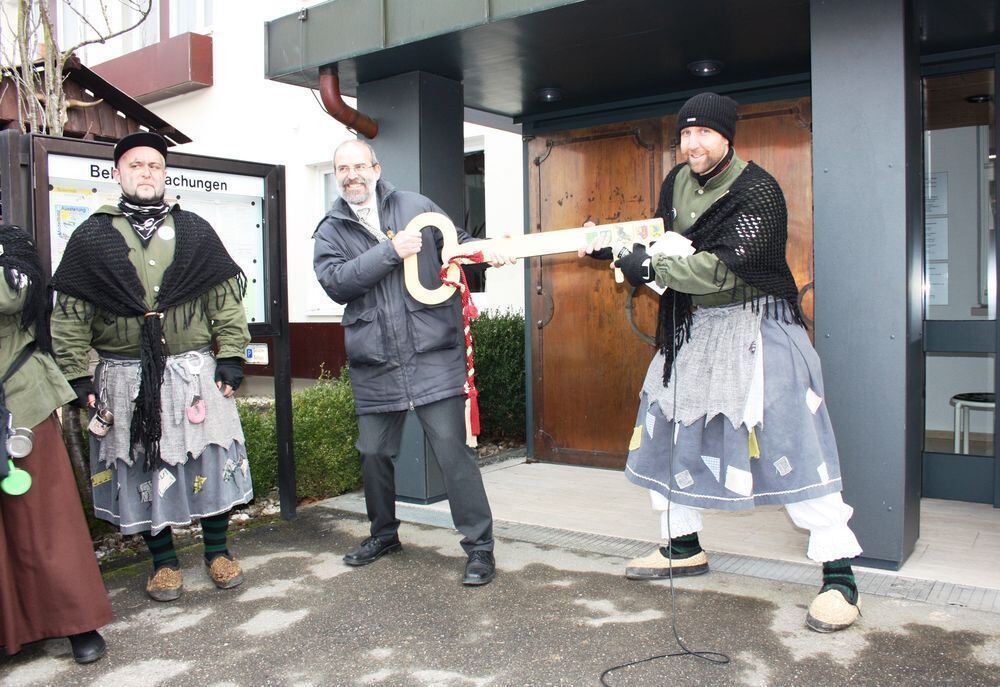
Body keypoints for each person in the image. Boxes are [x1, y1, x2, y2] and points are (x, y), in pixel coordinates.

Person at [580, 93, 863, 632]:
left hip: (756, 321)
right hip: (693, 328)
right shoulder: (676, 183)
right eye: (685, 134)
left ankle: (840, 575)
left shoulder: (759, 190)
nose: (692, 144)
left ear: (727, 136)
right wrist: (617, 249)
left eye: (703, 134)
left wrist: (649, 262)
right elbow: (662, 242)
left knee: (790, 437)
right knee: (666, 429)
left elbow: (719, 271)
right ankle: (682, 545)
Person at [50, 131, 253, 603]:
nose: (147, 173)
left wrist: (230, 356)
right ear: (118, 173)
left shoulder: (194, 230)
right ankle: (163, 564)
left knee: (209, 454)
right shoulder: (92, 236)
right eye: (137, 165)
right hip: (123, 374)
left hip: (193, 371)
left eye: (155, 166)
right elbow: (71, 315)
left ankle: (218, 553)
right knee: (142, 463)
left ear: (165, 174)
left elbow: (224, 300)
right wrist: (79, 378)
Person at [313, 139, 513, 586]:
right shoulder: (330, 229)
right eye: (343, 167)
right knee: (373, 454)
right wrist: (390, 252)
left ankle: (479, 549)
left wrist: (488, 252)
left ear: (376, 168)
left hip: (431, 355)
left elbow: (457, 245)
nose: (352, 175)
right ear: (336, 174)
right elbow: (336, 282)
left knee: (453, 453)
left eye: (359, 166)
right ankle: (383, 534)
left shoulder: (414, 205)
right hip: (376, 361)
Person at [0, 224, 112, 663]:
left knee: (45, 521)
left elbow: (13, 296)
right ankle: (14, 629)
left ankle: (75, 621)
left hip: (20, 406)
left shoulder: (12, 251)